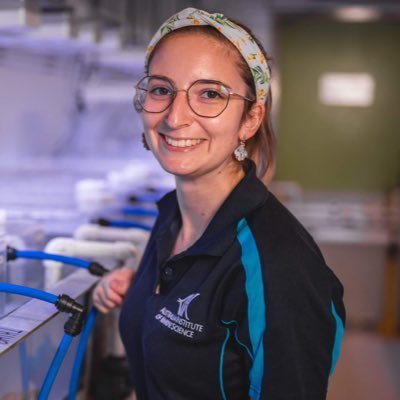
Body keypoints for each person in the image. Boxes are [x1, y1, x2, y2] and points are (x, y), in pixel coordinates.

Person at [92, 7, 345, 400]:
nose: (176, 117)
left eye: (210, 94)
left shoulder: (278, 264)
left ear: (250, 119)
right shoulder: (173, 217)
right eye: (161, 89)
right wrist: (138, 293)